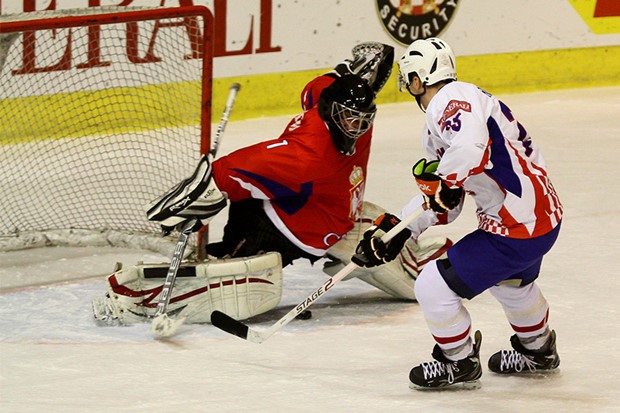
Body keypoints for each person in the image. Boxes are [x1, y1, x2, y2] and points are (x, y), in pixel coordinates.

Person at [353, 37, 563, 390]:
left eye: (411, 82)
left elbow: (468, 151)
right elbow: (445, 203)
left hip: (516, 225)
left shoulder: (450, 100)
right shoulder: (456, 111)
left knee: (433, 285)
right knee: (512, 283)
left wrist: (446, 182)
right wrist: (398, 230)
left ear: (418, 79)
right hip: (537, 217)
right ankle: (538, 350)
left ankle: (458, 360)